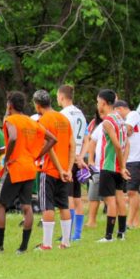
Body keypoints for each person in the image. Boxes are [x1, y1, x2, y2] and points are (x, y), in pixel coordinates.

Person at [0, 91, 57, 254]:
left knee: (0, 205)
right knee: (27, 206)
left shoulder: (10, 120)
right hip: (30, 167)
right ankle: (23, 248)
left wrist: (7, 158)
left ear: (10, 105)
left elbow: (13, 137)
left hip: (15, 166)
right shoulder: (31, 121)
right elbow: (52, 139)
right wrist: (36, 156)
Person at [33, 90, 74, 251]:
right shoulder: (64, 119)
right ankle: (65, 242)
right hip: (64, 169)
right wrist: (68, 169)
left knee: (47, 205)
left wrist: (58, 168)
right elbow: (72, 145)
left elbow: (48, 147)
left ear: (37, 105)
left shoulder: (43, 120)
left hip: (49, 169)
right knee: (64, 205)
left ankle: (47, 244)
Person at [95, 90, 131, 243]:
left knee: (110, 201)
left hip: (109, 166)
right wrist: (123, 163)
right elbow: (126, 143)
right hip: (117, 166)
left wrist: (122, 165)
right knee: (120, 199)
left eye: (98, 102)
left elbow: (116, 144)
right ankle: (121, 233)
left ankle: (108, 236)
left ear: (103, 103)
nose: (97, 105)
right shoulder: (120, 119)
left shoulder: (108, 121)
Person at [57, 85, 87, 240]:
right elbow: (87, 137)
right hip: (78, 159)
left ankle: (67, 234)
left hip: (68, 158)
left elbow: (62, 138)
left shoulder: (63, 114)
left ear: (61, 97)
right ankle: (77, 234)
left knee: (67, 197)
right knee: (77, 197)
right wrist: (81, 156)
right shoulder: (80, 113)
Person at [115, 100, 140, 229]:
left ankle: (128, 222)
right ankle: (136, 221)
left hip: (137, 158)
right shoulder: (132, 117)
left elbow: (128, 130)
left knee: (131, 192)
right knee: (133, 192)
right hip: (132, 158)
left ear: (121, 108)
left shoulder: (133, 114)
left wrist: (120, 129)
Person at [84, 113, 104, 228]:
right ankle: (91, 221)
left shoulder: (114, 124)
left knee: (112, 196)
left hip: (109, 166)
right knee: (93, 194)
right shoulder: (101, 125)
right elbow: (92, 141)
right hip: (99, 166)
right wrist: (91, 160)